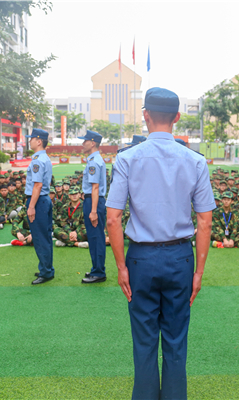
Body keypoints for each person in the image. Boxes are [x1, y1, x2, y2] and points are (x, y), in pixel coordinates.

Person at [106, 87, 215, 399]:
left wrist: (120, 266)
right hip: (181, 258)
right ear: (177, 118)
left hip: (140, 258)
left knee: (144, 341)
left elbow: (113, 218)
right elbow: (205, 221)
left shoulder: (127, 159)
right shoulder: (195, 161)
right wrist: (199, 271)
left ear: (145, 116)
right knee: (176, 340)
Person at [78, 130, 108, 283]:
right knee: (94, 236)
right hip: (92, 200)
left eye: (85, 141)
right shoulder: (93, 160)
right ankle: (96, 268)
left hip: (94, 202)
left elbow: (95, 187)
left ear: (93, 143)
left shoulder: (94, 161)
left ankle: (99, 272)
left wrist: (94, 210)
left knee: (96, 237)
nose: (83, 144)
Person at [25, 129, 55, 285]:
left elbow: (37, 185)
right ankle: (47, 268)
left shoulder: (37, 160)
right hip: (44, 200)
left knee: (40, 238)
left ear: (39, 141)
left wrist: (31, 206)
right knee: (46, 237)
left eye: (31, 139)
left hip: (38, 201)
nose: (29, 141)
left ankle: (46, 272)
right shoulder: (44, 158)